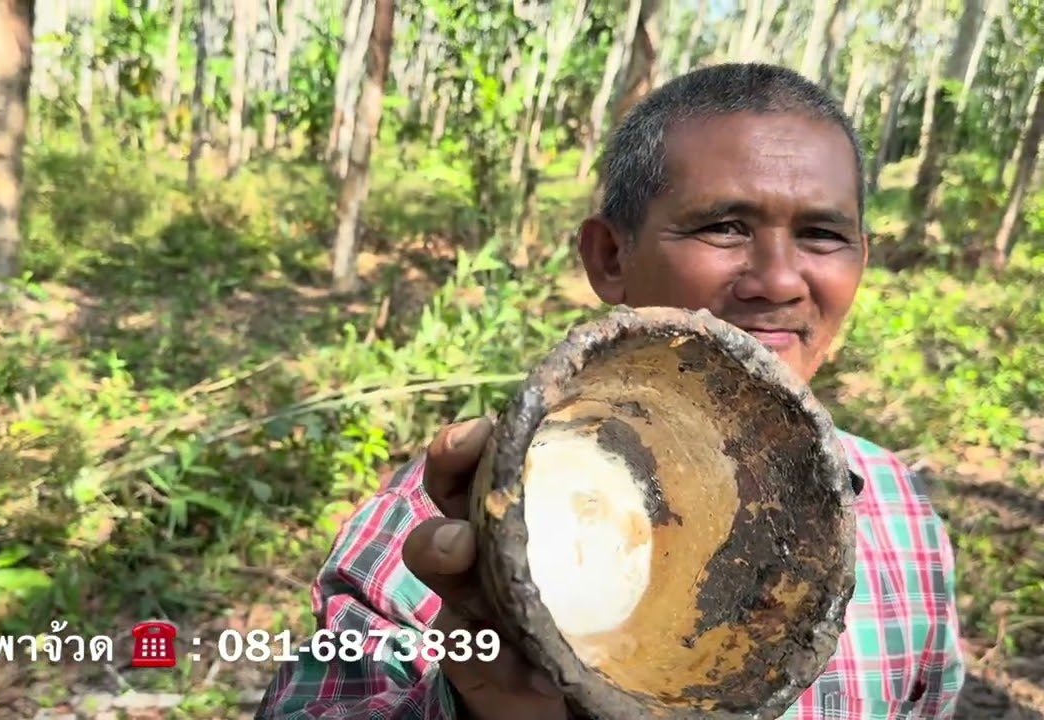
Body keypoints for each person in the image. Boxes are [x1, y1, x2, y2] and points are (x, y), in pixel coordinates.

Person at [255, 62, 966, 719]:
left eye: (820, 235)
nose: (779, 280)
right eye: (724, 226)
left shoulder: (901, 518)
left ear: (862, 261)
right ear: (610, 257)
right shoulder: (428, 541)